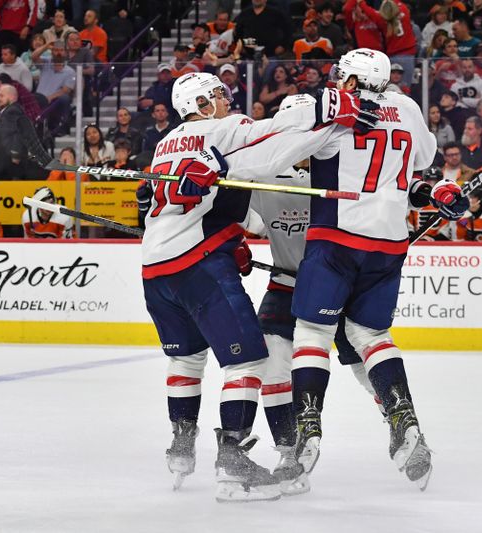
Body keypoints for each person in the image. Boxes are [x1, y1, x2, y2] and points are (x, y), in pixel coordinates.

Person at [229, 49, 456, 490]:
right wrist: (430, 191)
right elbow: (421, 158)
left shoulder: (335, 113)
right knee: (371, 337)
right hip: (388, 244)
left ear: (351, 81)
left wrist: (218, 164)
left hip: (336, 241)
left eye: (340, 77)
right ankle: (404, 421)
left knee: (311, 334)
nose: (336, 83)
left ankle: (308, 426)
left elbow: (272, 157)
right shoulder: (407, 107)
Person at [140, 71, 371, 501]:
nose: (228, 101)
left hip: (155, 269)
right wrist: (327, 110)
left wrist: (235, 240)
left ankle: (182, 447)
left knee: (188, 360)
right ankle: (233, 463)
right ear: (204, 103)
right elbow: (276, 135)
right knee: (247, 361)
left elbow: (185, 203)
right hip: (199, 263)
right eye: (220, 96)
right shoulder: (224, 128)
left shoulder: (163, 144)